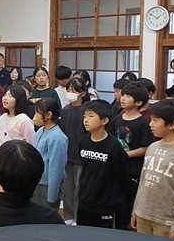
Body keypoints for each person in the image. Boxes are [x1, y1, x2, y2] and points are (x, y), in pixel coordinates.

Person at [131, 99, 174, 239]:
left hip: (166, 221)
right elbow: (143, 182)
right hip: (143, 214)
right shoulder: (152, 147)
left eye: (155, 120)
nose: (151, 124)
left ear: (172, 124)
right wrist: (135, 211)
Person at [77, 100, 129, 229]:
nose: (86, 120)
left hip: (106, 205)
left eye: (91, 116)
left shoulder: (114, 146)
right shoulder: (83, 141)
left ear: (104, 120)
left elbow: (122, 177)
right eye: (84, 116)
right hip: (85, 202)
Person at [109, 82, 154, 229]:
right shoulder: (117, 119)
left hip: (133, 170)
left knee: (130, 202)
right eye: (123, 95)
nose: (122, 98)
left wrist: (125, 154)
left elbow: (146, 147)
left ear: (138, 102)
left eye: (128, 96)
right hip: (116, 168)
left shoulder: (142, 122)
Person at [61, 76, 89, 225]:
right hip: (67, 155)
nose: (70, 94)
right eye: (68, 90)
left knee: (80, 189)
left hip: (82, 157)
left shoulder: (87, 110)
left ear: (82, 94)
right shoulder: (66, 110)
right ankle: (69, 216)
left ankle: (79, 218)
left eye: (74, 91)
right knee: (68, 190)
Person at [32, 98, 67, 210]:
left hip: (46, 186)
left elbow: (56, 169)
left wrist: (52, 196)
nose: (35, 116)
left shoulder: (57, 138)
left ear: (48, 115)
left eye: (37, 113)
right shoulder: (40, 131)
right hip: (36, 182)